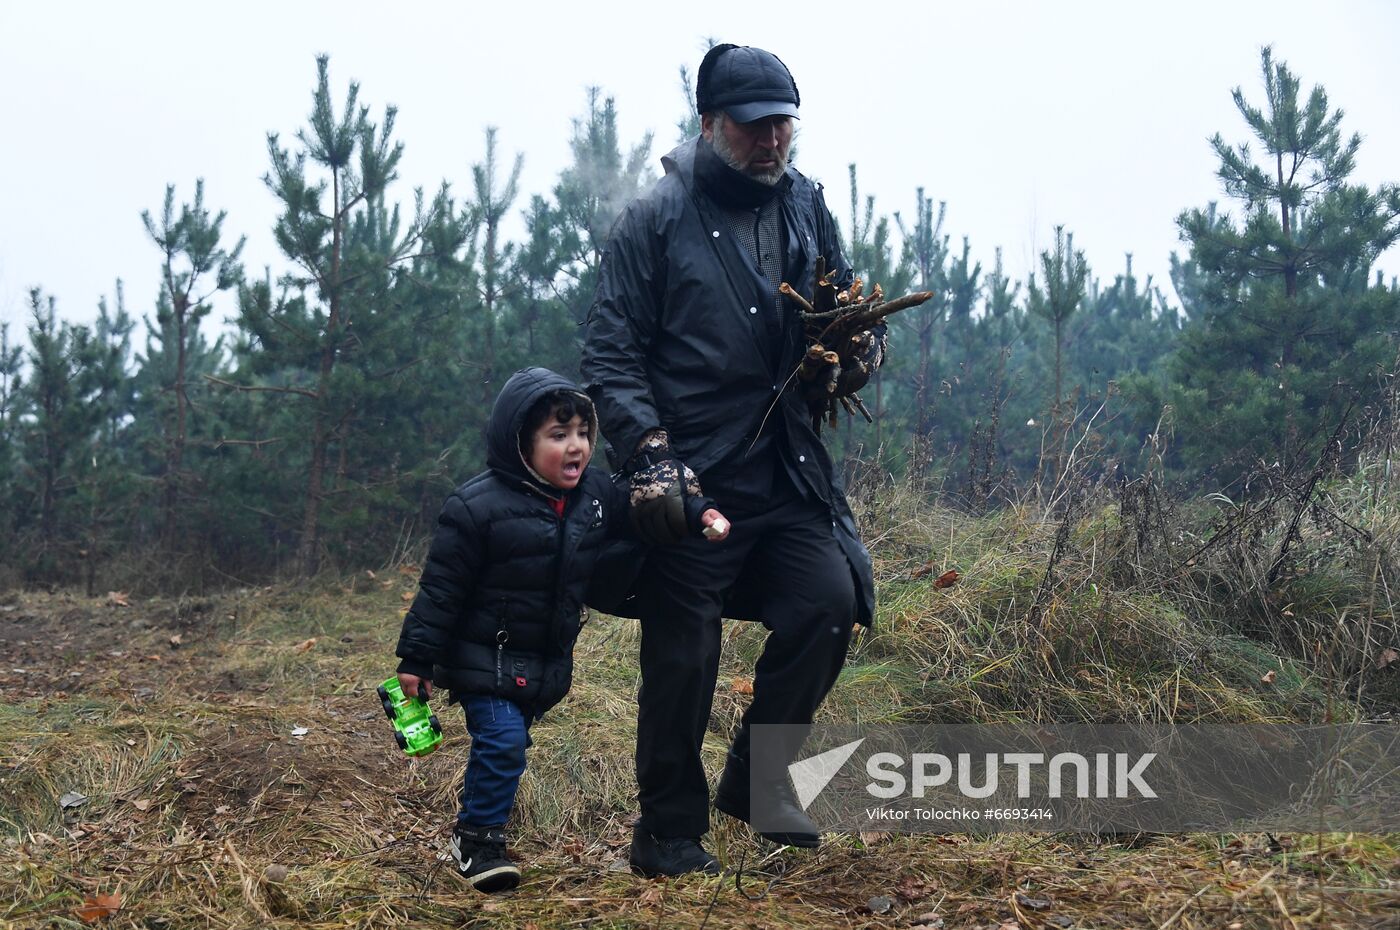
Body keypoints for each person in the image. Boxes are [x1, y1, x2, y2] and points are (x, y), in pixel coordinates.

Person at [581, 44, 880, 877]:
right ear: (710, 124)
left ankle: (761, 786)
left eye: (783, 123)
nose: (772, 141)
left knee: (828, 602)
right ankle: (667, 831)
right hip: (692, 482)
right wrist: (648, 455)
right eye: (753, 126)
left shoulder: (807, 207)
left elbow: (843, 310)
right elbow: (610, 355)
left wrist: (853, 352)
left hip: (787, 475)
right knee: (685, 654)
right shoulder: (653, 220)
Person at [394, 367, 729, 892]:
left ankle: (481, 823)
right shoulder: (475, 508)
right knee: (503, 740)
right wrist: (416, 660)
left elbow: (644, 508)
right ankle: (477, 840)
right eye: (558, 435)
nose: (576, 447)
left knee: (508, 744)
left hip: (543, 661)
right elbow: (441, 591)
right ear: (521, 443)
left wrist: (696, 512)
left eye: (582, 434)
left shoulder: (594, 494)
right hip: (484, 655)